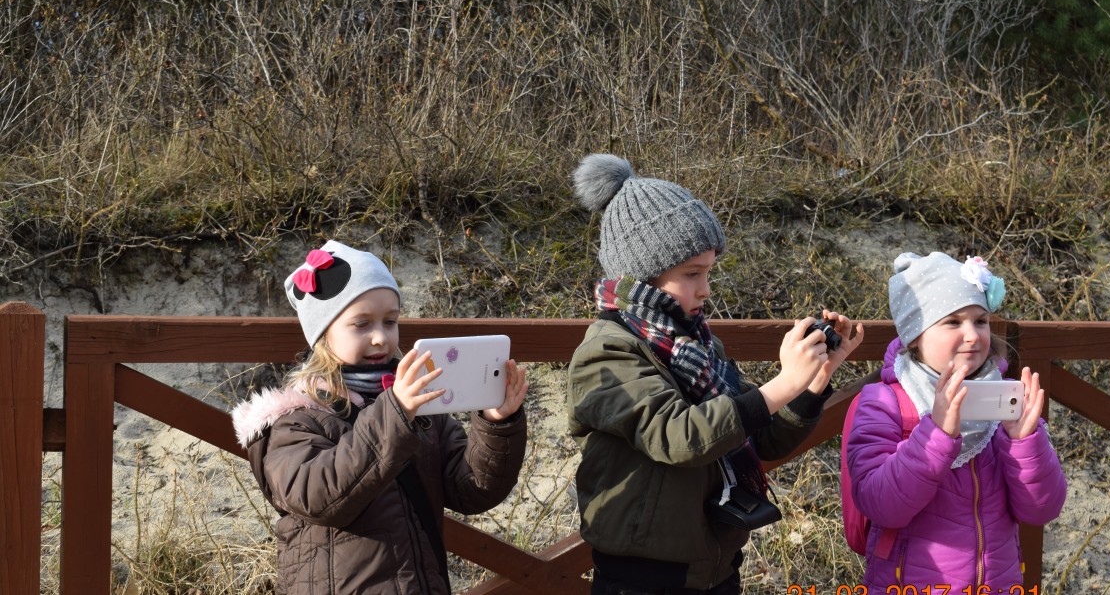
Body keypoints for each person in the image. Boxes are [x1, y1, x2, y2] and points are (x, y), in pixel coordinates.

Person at [566, 153, 864, 594]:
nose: (705, 289)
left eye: (708, 272)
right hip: (642, 576)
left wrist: (816, 377)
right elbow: (678, 436)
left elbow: (762, 439)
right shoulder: (607, 351)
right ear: (644, 275)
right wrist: (781, 383)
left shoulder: (697, 343)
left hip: (716, 567)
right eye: (692, 274)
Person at [231, 240, 528, 595]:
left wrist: (496, 422)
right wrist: (396, 411)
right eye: (361, 324)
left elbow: (472, 490)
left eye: (390, 321)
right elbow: (320, 497)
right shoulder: (295, 418)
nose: (379, 338)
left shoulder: (415, 404)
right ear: (323, 335)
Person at [846, 252, 1066, 590]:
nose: (972, 335)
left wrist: (1025, 442)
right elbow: (881, 505)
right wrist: (937, 433)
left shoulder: (1001, 399)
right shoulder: (884, 401)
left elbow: (1042, 509)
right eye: (953, 322)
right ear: (915, 335)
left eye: (980, 321)